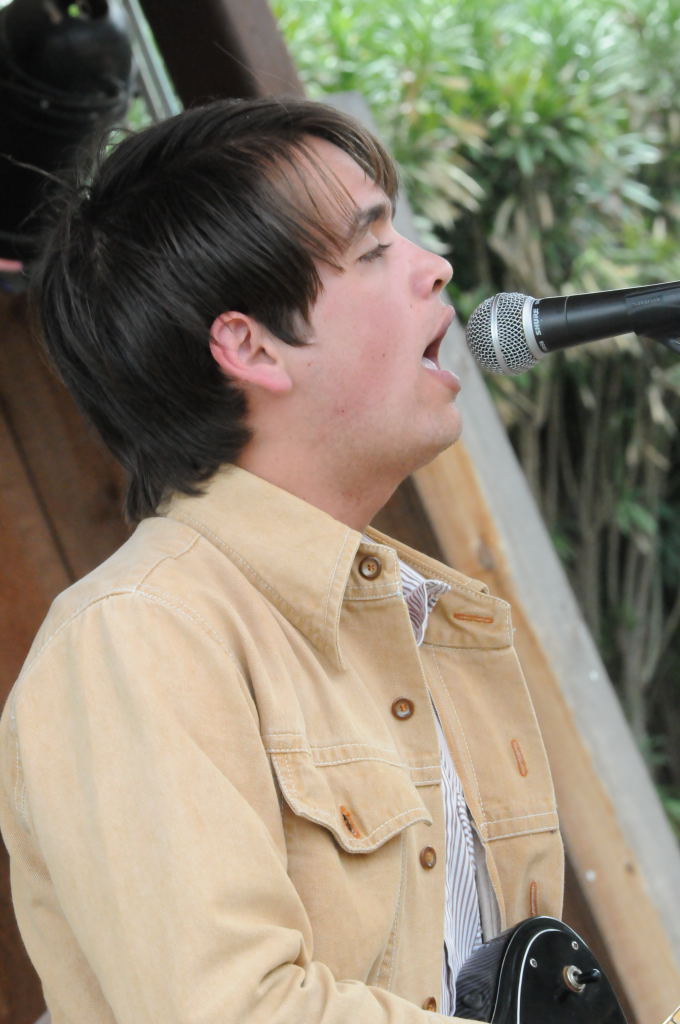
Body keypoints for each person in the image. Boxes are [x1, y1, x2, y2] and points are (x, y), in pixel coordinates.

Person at [0, 97, 564, 1023]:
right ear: (251, 345)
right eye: (373, 249)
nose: (434, 267)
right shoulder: (138, 638)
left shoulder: (427, 616)